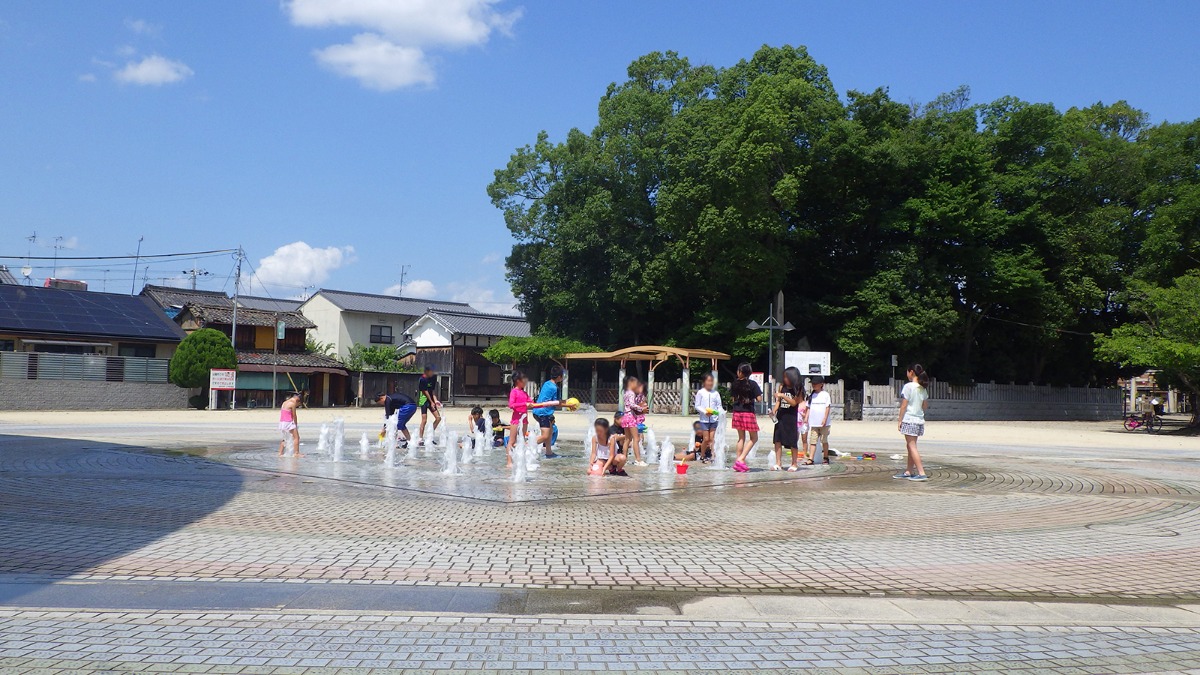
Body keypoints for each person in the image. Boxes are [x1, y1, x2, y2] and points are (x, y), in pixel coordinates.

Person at [506, 371, 557, 468]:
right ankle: (509, 462)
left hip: (524, 421)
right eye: (524, 379)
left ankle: (520, 460)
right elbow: (511, 405)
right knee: (512, 441)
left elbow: (533, 404)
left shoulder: (524, 393)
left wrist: (545, 404)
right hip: (516, 420)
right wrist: (524, 404)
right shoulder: (514, 391)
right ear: (518, 381)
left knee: (521, 441)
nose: (526, 381)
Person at [895, 364, 930, 481]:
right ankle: (909, 471)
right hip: (919, 421)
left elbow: (904, 405)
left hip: (909, 420)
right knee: (910, 445)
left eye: (907, 372)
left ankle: (921, 473)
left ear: (911, 372)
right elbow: (925, 406)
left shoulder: (908, 386)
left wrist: (900, 420)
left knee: (912, 446)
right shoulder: (922, 388)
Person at [730, 363, 762, 472]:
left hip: (737, 412)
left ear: (740, 372)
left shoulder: (734, 384)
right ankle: (741, 459)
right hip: (748, 413)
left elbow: (733, 399)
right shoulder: (752, 384)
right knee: (754, 438)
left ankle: (739, 462)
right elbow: (759, 399)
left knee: (741, 438)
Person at [771, 367, 803, 471]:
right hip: (781, 416)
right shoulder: (782, 386)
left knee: (792, 441)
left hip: (791, 417)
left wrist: (783, 396)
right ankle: (778, 463)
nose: (785, 379)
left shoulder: (798, 388)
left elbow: (794, 403)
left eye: (787, 377)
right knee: (777, 439)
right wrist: (774, 411)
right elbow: (778, 402)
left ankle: (794, 463)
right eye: (784, 377)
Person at [532, 366, 566, 458]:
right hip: (543, 413)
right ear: (559, 377)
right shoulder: (555, 388)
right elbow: (557, 403)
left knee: (550, 432)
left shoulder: (546, 383)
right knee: (545, 436)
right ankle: (524, 445)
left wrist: (565, 402)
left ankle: (549, 452)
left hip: (537, 411)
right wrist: (569, 405)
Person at [693, 373, 723, 463]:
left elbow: (719, 406)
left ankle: (713, 456)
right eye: (708, 381)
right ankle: (702, 455)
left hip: (714, 419)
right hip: (704, 420)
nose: (710, 383)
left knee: (712, 439)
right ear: (704, 382)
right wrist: (705, 412)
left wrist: (719, 412)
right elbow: (697, 405)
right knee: (706, 439)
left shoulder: (716, 393)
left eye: (712, 381)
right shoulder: (700, 392)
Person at [621, 376, 648, 466]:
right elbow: (632, 405)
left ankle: (624, 459)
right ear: (631, 383)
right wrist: (641, 409)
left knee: (627, 439)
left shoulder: (625, 393)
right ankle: (638, 460)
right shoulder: (632, 393)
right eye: (635, 383)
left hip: (625, 416)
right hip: (631, 417)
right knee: (636, 439)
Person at [807, 376, 833, 464]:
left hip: (824, 423)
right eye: (812, 384)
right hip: (814, 423)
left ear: (821, 384)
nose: (813, 385)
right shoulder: (811, 395)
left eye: (815, 384)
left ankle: (825, 457)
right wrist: (806, 418)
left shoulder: (825, 395)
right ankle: (811, 459)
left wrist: (824, 419)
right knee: (813, 441)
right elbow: (808, 407)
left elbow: (827, 407)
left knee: (824, 440)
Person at [416, 366, 442, 445]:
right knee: (424, 420)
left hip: (431, 400)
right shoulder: (422, 379)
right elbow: (425, 392)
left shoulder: (433, 378)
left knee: (438, 418)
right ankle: (420, 439)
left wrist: (435, 400)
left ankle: (430, 436)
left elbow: (432, 391)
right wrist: (431, 402)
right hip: (424, 400)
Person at [277, 391, 303, 457]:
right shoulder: (292, 404)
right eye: (298, 404)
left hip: (282, 422)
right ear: (297, 400)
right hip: (289, 422)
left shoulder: (284, 402)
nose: (297, 405)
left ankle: (280, 453)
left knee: (284, 438)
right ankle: (296, 453)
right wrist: (296, 425)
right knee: (296, 437)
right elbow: (294, 415)